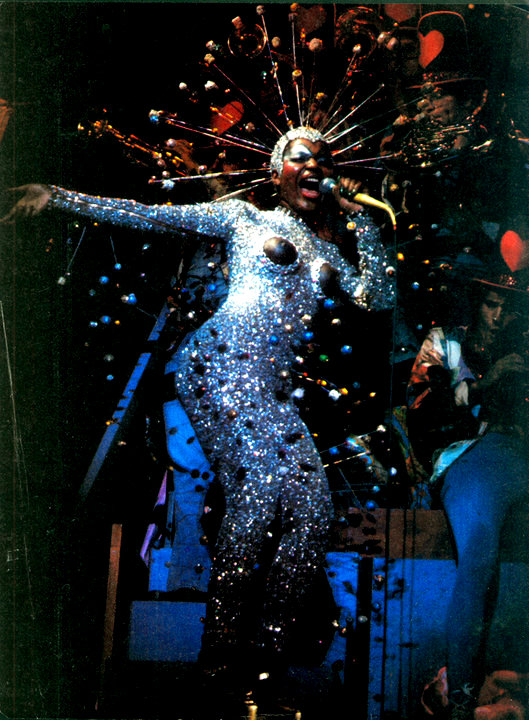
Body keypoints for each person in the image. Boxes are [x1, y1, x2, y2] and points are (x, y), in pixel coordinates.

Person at [2, 126, 394, 690]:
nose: (315, 166)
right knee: (258, 498)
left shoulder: (328, 249)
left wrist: (369, 224)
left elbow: (376, 298)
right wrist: (58, 197)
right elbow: (149, 215)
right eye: (300, 157)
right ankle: (220, 659)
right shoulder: (243, 218)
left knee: (310, 516)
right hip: (218, 366)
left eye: (324, 159)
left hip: (271, 389)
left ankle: (265, 662)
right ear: (275, 173)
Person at [415, 272, 529, 719]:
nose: (499, 316)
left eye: (509, 307)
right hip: (470, 454)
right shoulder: (445, 342)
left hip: (519, 452)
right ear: (476, 302)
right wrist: (484, 384)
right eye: (490, 304)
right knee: (479, 554)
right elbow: (420, 410)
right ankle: (460, 694)